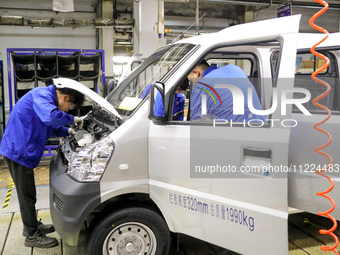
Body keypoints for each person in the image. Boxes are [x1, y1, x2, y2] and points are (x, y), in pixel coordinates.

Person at [0, 83, 85, 248]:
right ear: (66, 97)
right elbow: (50, 117)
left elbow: (48, 127)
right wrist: (74, 120)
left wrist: (68, 131)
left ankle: (31, 226)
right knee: (27, 195)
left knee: (28, 193)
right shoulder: (42, 95)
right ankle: (31, 236)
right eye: (70, 106)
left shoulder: (46, 100)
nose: (68, 110)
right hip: (18, 151)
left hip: (21, 150)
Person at [188, 60, 265, 122]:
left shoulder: (201, 87)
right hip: (259, 128)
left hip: (232, 136)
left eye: (191, 80)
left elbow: (198, 124)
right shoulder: (235, 69)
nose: (194, 84)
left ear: (196, 73)